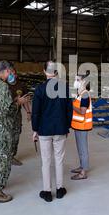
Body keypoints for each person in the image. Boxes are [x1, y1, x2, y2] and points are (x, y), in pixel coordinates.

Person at [0, 61, 27, 203]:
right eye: (10, 72)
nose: (11, 75)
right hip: (3, 127)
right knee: (4, 157)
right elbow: (7, 110)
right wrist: (18, 103)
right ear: (6, 71)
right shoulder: (3, 87)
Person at [32, 61, 73, 202]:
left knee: (46, 161)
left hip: (44, 130)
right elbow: (69, 110)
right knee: (59, 159)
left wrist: (35, 129)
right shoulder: (64, 88)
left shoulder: (39, 89)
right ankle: (60, 189)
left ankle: (47, 191)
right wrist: (67, 126)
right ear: (56, 72)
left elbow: (35, 113)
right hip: (60, 128)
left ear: (44, 71)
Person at [7, 67, 31, 166]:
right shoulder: (4, 85)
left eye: (13, 73)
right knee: (6, 136)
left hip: (17, 115)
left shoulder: (21, 85)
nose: (11, 75)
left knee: (16, 136)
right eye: (10, 73)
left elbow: (25, 100)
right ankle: (5, 156)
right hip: (6, 115)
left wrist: (29, 112)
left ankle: (11, 156)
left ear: (16, 75)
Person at [70, 74, 92, 180]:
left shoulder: (84, 95)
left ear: (83, 82)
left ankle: (83, 172)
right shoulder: (80, 94)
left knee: (83, 149)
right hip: (78, 125)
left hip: (83, 126)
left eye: (78, 80)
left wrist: (71, 106)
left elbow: (82, 111)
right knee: (80, 148)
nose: (76, 82)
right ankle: (81, 166)